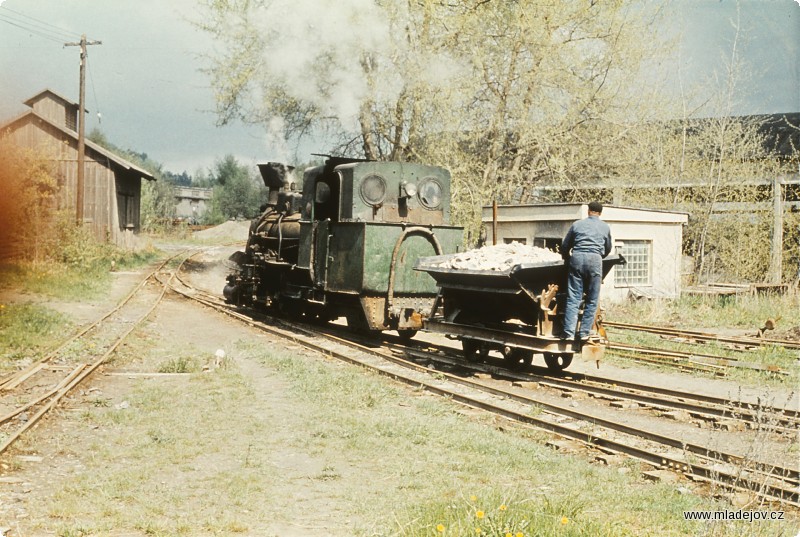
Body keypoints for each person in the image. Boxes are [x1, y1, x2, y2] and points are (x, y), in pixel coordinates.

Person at [560, 201, 612, 343]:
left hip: (577, 259)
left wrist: (568, 258)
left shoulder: (577, 224)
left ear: (588, 211)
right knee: (592, 299)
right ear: (600, 213)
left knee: (573, 298)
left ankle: (569, 333)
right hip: (595, 260)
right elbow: (608, 249)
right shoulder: (605, 227)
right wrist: (598, 257)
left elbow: (565, 246)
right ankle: (584, 333)